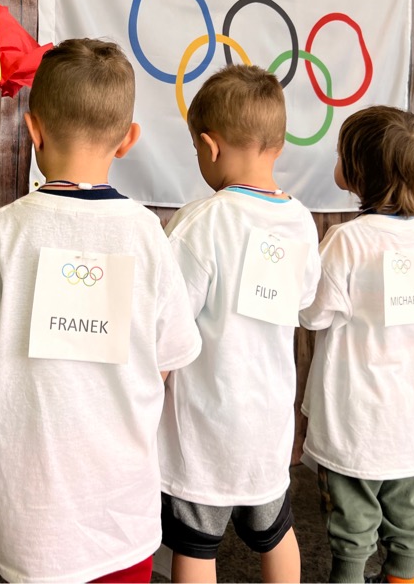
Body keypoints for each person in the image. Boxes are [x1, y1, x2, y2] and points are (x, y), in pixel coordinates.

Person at [0, 38, 202, 583]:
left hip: (33, 513)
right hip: (123, 507)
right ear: (128, 140)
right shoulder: (148, 235)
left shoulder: (3, 234)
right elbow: (167, 358)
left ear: (33, 130)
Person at [158, 65, 321, 583]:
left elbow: (167, 322)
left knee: (196, 547)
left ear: (210, 146)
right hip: (268, 425)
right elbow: (305, 299)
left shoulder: (201, 222)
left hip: (203, 430)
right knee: (277, 532)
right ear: (279, 143)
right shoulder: (300, 220)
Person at [300, 106, 414, 584]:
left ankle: (349, 575)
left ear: (356, 170)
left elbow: (313, 313)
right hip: (413, 406)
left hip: (355, 409)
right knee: (408, 509)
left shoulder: (346, 240)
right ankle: (403, 575)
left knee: (352, 517)